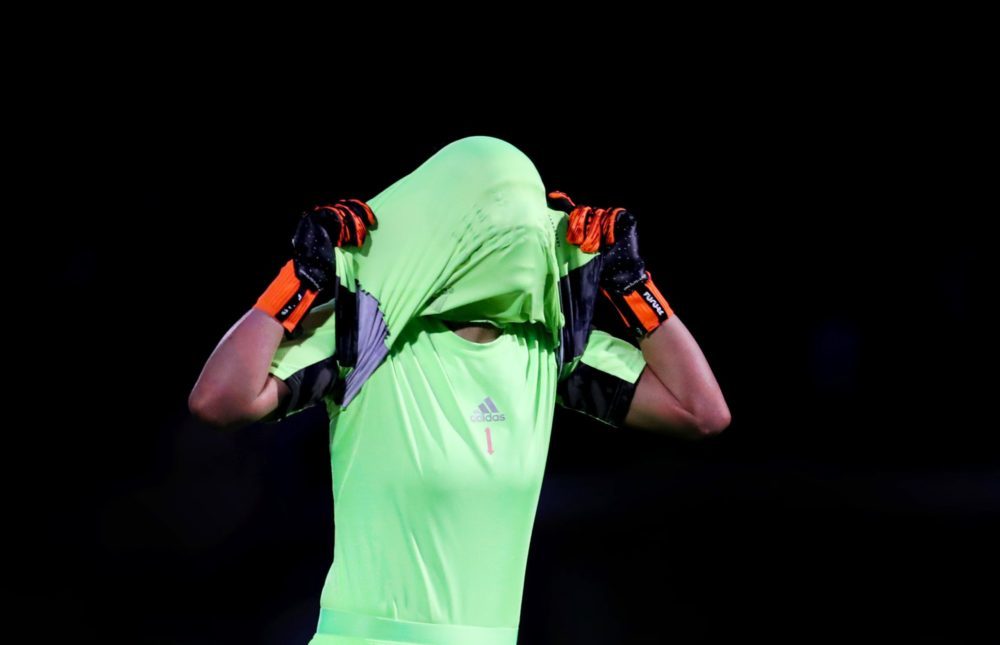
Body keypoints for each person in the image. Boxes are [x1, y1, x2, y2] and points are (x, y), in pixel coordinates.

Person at [189, 135, 731, 644]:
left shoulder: (549, 351)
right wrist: (299, 280)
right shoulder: (368, 336)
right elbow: (221, 400)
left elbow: (701, 412)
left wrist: (635, 288)